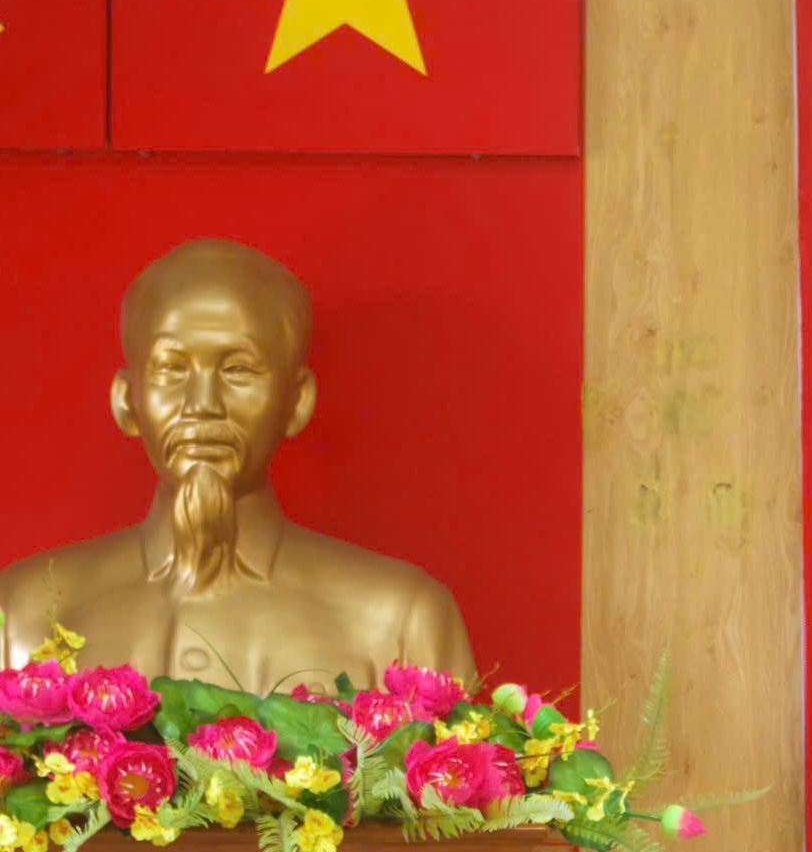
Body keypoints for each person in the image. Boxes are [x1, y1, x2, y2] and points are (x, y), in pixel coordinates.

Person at [0, 239, 476, 689]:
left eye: (237, 370)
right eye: (172, 368)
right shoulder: (20, 612)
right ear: (127, 400)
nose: (202, 404)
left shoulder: (400, 621)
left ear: (296, 402)